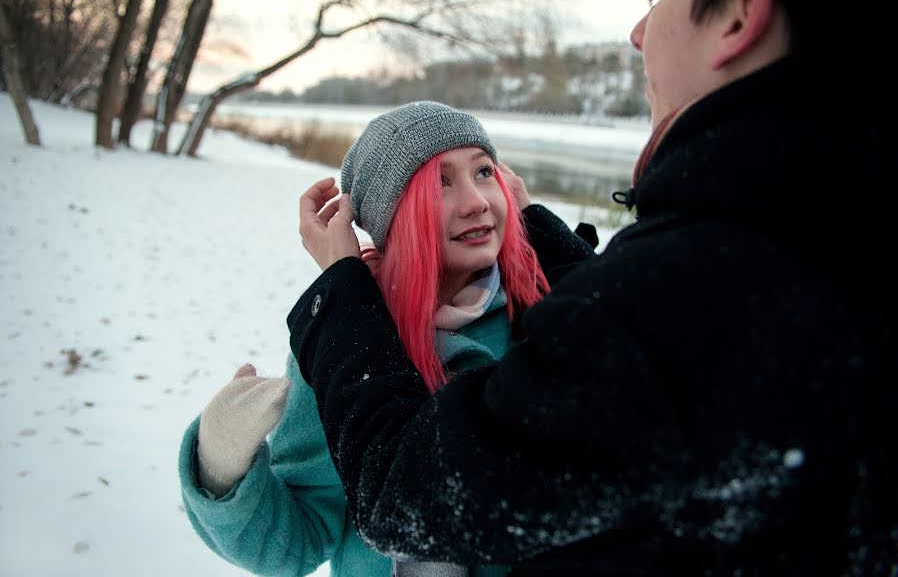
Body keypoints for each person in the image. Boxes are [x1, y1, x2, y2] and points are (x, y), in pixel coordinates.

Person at [288, 0, 898, 574]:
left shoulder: (689, 289)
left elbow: (405, 489)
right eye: (440, 183)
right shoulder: (827, 227)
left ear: (738, 13)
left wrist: (342, 291)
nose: (637, 32)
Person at [178, 101, 593, 576]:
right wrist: (222, 467)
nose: (477, 200)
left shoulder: (547, 316)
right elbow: (301, 537)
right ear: (391, 216)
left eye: (483, 171)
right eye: (441, 181)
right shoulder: (343, 343)